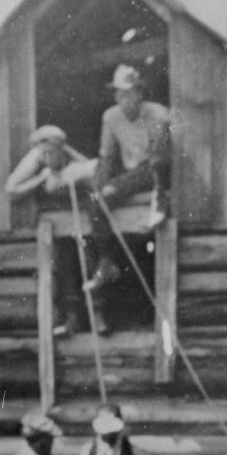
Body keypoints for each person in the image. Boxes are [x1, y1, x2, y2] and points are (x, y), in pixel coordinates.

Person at [83, 65, 170, 330]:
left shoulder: (157, 113)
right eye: (119, 95)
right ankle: (106, 260)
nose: (124, 101)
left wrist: (159, 185)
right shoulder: (111, 117)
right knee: (97, 202)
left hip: (153, 170)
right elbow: (106, 156)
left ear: (140, 93)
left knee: (156, 162)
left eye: (129, 94)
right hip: (130, 175)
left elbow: (160, 155)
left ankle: (160, 201)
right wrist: (99, 184)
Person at [5, 125, 97, 337]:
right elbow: (11, 190)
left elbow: (95, 175)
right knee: (63, 262)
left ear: (61, 149)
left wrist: (74, 177)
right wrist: (41, 179)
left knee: (90, 257)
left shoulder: (73, 159)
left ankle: (98, 316)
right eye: (43, 153)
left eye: (50, 153)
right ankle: (71, 319)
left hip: (80, 215)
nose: (46, 158)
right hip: (53, 220)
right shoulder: (36, 157)